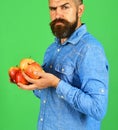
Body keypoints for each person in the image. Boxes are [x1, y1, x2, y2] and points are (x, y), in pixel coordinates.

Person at [18, 0, 109, 130]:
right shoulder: (52, 49)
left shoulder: (90, 49)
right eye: (53, 9)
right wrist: (30, 81)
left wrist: (56, 83)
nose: (58, 15)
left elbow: (97, 108)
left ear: (80, 10)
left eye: (65, 7)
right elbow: (50, 97)